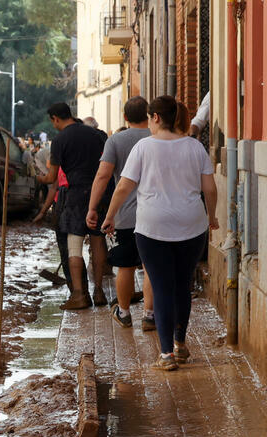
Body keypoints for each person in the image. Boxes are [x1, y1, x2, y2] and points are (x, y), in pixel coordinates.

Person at [101, 95, 218, 371]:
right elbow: (210, 189)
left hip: (153, 228)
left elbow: (123, 187)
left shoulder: (144, 147)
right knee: (182, 285)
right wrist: (211, 217)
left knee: (162, 285)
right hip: (192, 226)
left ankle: (165, 355)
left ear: (155, 117)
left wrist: (110, 216)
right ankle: (179, 345)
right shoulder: (194, 147)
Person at [86, 96, 154, 330]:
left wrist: (93, 208)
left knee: (125, 266)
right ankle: (149, 315)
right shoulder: (157, 138)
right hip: (154, 214)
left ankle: (124, 313)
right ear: (148, 115)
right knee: (150, 266)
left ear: (125, 117)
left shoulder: (116, 140)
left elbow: (103, 176)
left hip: (124, 216)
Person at [37, 102, 110, 309]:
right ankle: (99, 292)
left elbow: (53, 177)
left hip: (76, 196)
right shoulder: (95, 135)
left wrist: (39, 178)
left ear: (55, 119)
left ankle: (79, 295)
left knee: (74, 246)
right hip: (98, 191)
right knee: (97, 242)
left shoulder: (60, 140)